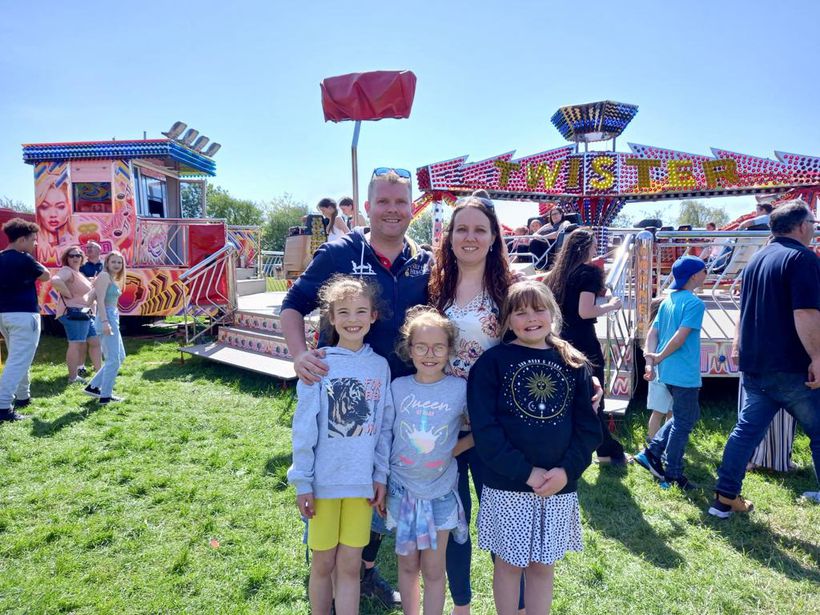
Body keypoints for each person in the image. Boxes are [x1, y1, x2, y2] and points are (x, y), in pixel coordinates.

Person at [281, 167, 431, 606]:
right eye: (383, 201)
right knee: (341, 500)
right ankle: (330, 572)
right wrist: (298, 356)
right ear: (366, 206)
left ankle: (365, 570)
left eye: (401, 202)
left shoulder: (424, 261)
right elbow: (293, 305)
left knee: (381, 493)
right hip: (341, 405)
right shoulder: (340, 251)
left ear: (412, 209)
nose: (392, 210)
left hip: (400, 399)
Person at [467, 280, 601, 615]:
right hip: (507, 486)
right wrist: (526, 472)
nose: (531, 318)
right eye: (520, 311)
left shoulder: (573, 363)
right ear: (507, 320)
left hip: (556, 489)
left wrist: (566, 471)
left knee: (543, 566)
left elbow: (588, 428)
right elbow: (486, 430)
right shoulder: (491, 363)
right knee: (509, 565)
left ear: (552, 313)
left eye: (538, 309)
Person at [286, 276, 392, 615]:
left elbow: (384, 427)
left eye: (361, 311)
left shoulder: (380, 367)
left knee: (349, 567)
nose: (352, 319)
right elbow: (304, 429)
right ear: (331, 317)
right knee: (322, 564)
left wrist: (381, 475)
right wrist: (302, 480)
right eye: (343, 312)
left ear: (373, 316)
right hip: (323, 486)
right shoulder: (318, 364)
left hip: (361, 486)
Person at [710, 201, 820, 516]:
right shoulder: (802, 258)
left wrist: (736, 346)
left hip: (755, 364)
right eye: (812, 222)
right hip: (791, 367)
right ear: (801, 226)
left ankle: (724, 498)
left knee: (745, 432)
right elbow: (806, 312)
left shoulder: (757, 259)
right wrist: (818, 356)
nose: (813, 228)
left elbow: (742, 311)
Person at [384, 307, 470, 615]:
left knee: (434, 571)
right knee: (407, 567)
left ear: (450, 350)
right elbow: (385, 436)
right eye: (421, 347)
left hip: (440, 495)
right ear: (409, 349)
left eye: (438, 347)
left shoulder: (460, 389)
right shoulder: (397, 388)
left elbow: (479, 432)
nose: (429, 354)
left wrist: (450, 452)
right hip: (401, 493)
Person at [546, 229, 628, 465]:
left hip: (561, 337)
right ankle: (607, 449)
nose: (596, 249)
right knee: (594, 395)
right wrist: (611, 306)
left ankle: (604, 449)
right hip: (583, 340)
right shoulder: (589, 273)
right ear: (586, 247)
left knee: (570, 396)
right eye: (593, 245)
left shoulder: (558, 274)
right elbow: (585, 311)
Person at [636, 256, 707, 491]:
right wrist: (658, 357)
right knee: (684, 422)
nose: (707, 274)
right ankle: (672, 473)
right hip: (684, 371)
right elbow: (680, 337)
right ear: (695, 275)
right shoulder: (695, 304)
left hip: (668, 371)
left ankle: (652, 452)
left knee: (685, 415)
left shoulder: (668, 301)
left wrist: (652, 356)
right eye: (705, 270)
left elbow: (652, 333)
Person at [0, 218, 50, 421]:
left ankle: (23, 396)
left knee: (17, 357)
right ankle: (3, 407)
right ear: (21, 240)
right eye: (32, 240)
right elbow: (46, 275)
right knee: (19, 361)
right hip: (24, 315)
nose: (35, 244)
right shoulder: (25, 259)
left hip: (4, 315)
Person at [50, 246, 102, 384]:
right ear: (66, 258)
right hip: (74, 314)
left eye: (78, 255)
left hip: (85, 314)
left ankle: (100, 373)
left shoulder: (78, 273)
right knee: (76, 344)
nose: (75, 258)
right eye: (71, 255)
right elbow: (55, 280)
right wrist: (68, 294)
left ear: (82, 258)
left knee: (95, 342)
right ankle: (73, 378)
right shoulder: (67, 270)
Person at [82, 252, 127, 405]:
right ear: (107, 262)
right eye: (113, 262)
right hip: (106, 317)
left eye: (119, 263)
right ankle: (105, 396)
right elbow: (99, 301)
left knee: (119, 357)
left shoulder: (109, 278)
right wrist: (105, 321)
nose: (116, 265)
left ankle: (93, 387)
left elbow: (94, 299)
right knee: (113, 359)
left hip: (112, 316)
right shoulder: (104, 276)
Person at [645, 296, 672, 440]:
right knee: (659, 412)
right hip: (659, 375)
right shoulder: (656, 332)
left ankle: (665, 439)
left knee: (670, 411)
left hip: (671, 374)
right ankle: (652, 439)